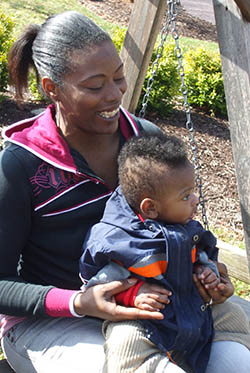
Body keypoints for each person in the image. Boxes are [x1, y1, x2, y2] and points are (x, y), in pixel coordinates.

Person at [0, 10, 237, 373]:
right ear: (52, 88)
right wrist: (80, 302)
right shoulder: (22, 165)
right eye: (95, 86)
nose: (114, 95)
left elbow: (176, 220)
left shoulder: (145, 140)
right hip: (55, 320)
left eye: (119, 77)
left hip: (157, 305)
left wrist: (204, 269)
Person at [80, 134, 250, 373]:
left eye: (192, 191)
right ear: (150, 208)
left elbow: (203, 256)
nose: (196, 200)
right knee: (124, 343)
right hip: (146, 321)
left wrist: (207, 272)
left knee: (231, 315)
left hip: (194, 311)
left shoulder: (184, 225)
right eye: (185, 195)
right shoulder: (119, 242)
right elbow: (96, 287)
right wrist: (132, 295)